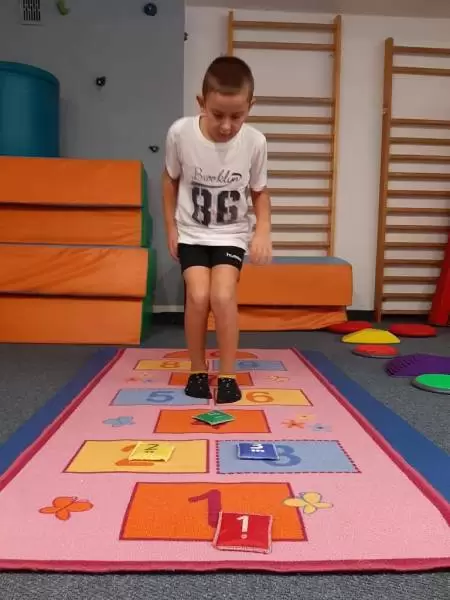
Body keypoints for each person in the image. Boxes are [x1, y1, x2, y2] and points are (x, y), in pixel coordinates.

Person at [162, 55, 272, 404]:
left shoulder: (255, 142)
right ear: (201, 103)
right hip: (192, 232)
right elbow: (169, 180)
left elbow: (259, 191)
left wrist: (263, 230)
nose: (226, 126)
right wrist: (170, 227)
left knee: (222, 296)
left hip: (230, 234)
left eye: (237, 116)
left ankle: (227, 375)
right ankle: (197, 370)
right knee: (197, 296)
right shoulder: (180, 133)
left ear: (250, 106)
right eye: (218, 114)